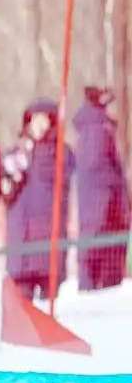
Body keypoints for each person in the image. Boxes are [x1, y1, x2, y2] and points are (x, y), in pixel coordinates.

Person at [0, 100, 75, 301]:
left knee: (47, 306)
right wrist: (13, 173)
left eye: (45, 121)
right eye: (35, 121)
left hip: (48, 240)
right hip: (21, 242)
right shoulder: (15, 153)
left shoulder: (61, 153)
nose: (40, 126)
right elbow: (5, 193)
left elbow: (63, 177)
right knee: (23, 307)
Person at [73, 86, 129, 291]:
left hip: (103, 209)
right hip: (102, 209)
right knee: (96, 246)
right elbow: (99, 171)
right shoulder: (97, 128)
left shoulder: (99, 128)